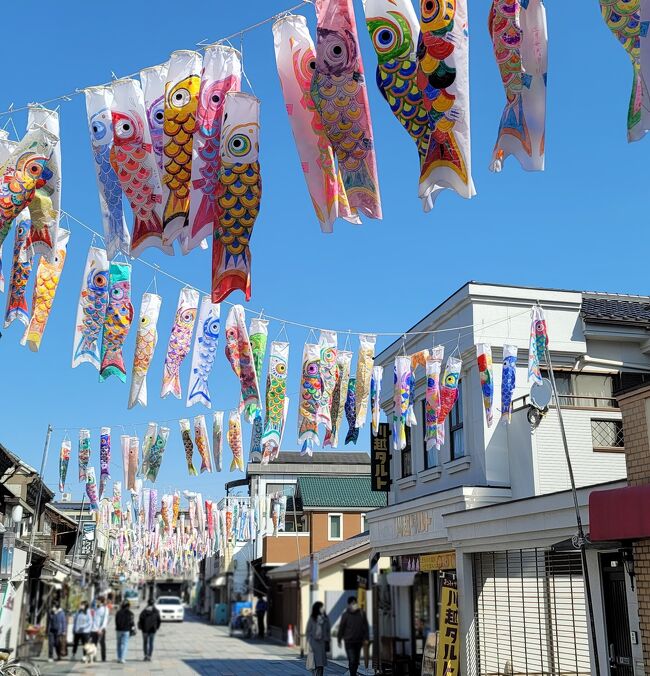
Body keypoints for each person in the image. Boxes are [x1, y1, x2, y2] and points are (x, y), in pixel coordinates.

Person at [338, 596, 369, 676]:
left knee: (356, 660)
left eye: (355, 603)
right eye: (352, 603)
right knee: (352, 659)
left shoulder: (362, 614)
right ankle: (353, 674)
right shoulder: (346, 615)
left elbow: (365, 626)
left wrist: (366, 638)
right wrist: (339, 639)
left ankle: (353, 673)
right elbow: (342, 627)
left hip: (359, 641)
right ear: (349, 605)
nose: (354, 605)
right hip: (349, 641)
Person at [306, 601, 330, 676]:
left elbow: (328, 630)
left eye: (323, 607)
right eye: (321, 607)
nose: (323, 608)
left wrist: (327, 641)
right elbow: (308, 631)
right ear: (317, 608)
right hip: (314, 643)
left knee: (320, 665)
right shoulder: (312, 618)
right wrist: (309, 643)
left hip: (322, 644)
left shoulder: (325, 619)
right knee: (314, 664)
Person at [115, 600, 135, 664]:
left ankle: (119, 657)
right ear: (128, 606)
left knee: (119, 644)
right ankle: (123, 658)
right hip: (126, 630)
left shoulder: (118, 612)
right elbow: (132, 623)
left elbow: (116, 621)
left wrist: (118, 627)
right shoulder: (130, 613)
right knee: (125, 644)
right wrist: (133, 630)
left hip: (119, 630)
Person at [91, 596, 109, 662]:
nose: (96, 602)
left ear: (101, 601)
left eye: (97, 600)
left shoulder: (105, 609)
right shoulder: (96, 608)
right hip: (93, 629)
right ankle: (93, 657)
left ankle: (103, 658)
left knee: (102, 644)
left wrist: (101, 629)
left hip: (100, 629)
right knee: (93, 644)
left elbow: (105, 620)